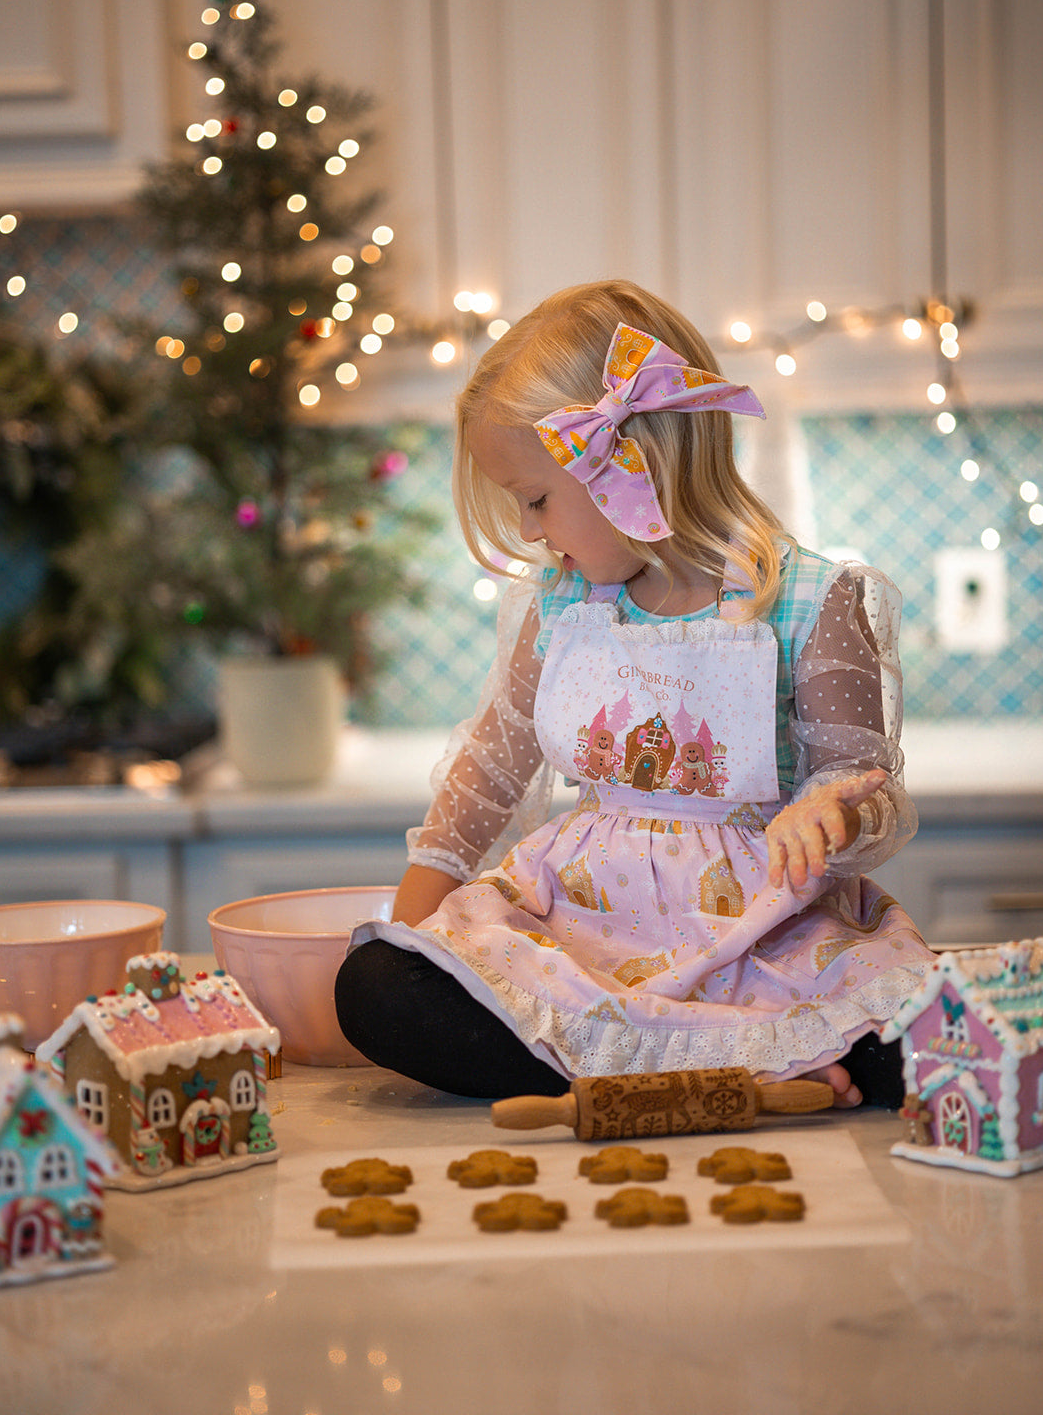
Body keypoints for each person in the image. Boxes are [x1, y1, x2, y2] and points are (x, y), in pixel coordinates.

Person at [336, 279, 932, 1108]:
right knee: (374, 988)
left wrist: (831, 813)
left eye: (536, 499)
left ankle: (686, 1063)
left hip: (761, 942)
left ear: (631, 461)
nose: (529, 532)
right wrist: (412, 934)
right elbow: (486, 775)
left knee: (924, 1039)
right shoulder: (557, 606)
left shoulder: (811, 601)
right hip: (583, 937)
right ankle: (748, 1076)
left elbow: (867, 794)